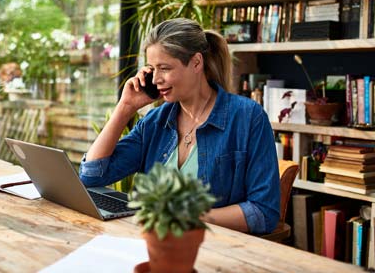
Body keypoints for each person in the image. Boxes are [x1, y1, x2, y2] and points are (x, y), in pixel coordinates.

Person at [79, 18, 280, 234]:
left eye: (164, 68)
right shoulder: (155, 122)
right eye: (151, 69)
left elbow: (263, 213)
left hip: (214, 250)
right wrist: (125, 107)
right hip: (150, 243)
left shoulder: (247, 117)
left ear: (196, 63)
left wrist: (189, 216)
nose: (155, 79)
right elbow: (91, 176)